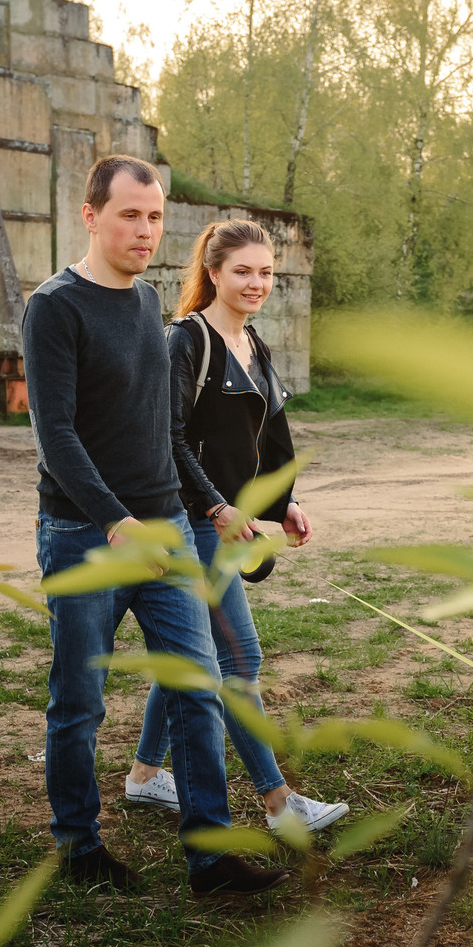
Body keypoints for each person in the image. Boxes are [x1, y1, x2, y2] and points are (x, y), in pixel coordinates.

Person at [20, 155, 287, 897]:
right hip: (85, 535)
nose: (146, 230)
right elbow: (56, 435)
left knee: (198, 687)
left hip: (166, 528)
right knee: (80, 701)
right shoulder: (55, 307)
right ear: (90, 215)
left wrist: (207, 507)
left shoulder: (147, 303)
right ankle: (79, 846)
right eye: (130, 215)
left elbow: (163, 429)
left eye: (155, 216)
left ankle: (210, 856)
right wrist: (115, 521)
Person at [124, 220, 350, 836]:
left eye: (266, 272)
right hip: (193, 523)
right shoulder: (186, 340)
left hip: (229, 521)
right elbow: (169, 437)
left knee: (193, 655)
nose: (257, 283)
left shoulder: (253, 342)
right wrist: (216, 507)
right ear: (214, 272)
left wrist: (285, 502)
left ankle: (144, 774)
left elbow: (270, 434)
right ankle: (279, 802)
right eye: (243, 271)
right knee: (237, 657)